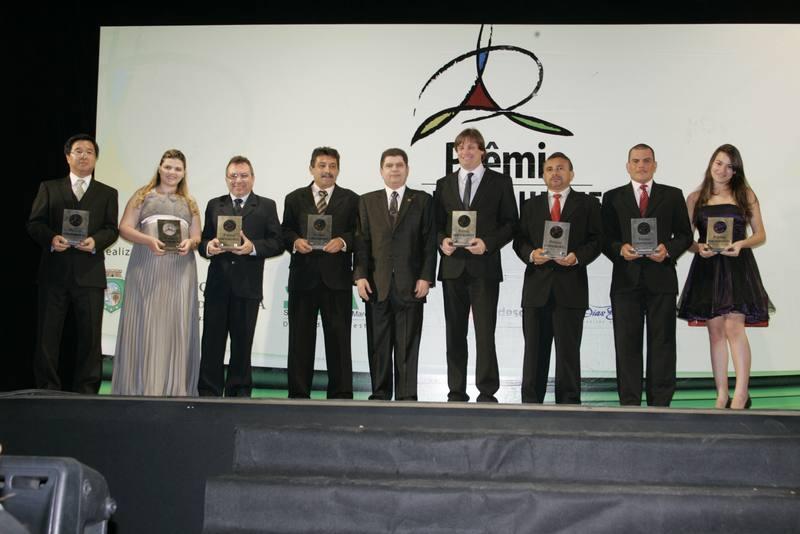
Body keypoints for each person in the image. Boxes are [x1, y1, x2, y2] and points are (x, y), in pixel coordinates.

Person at [678, 144, 773, 410]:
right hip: (708, 269)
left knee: (734, 327)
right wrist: (699, 247)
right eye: (719, 163)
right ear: (711, 163)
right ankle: (721, 394)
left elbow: (760, 234)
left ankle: (740, 394)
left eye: (730, 166)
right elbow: (686, 239)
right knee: (716, 332)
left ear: (736, 171)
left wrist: (742, 244)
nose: (722, 170)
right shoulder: (695, 198)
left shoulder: (745, 195)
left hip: (737, 267)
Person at [26, 133, 119, 393]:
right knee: (47, 336)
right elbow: (34, 223)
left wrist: (96, 241)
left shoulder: (107, 193)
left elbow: (111, 229)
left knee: (91, 337)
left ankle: (87, 390)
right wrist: (51, 238)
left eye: (90, 151)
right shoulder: (49, 188)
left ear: (96, 158)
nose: (84, 156)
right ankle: (46, 388)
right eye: (78, 151)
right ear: (68, 157)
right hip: (54, 273)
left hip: (90, 274)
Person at [601, 143, 692, 406]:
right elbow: (604, 237)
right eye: (636, 161)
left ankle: (660, 402)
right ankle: (629, 402)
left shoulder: (672, 195)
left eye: (646, 160)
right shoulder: (612, 197)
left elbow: (685, 235)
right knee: (626, 344)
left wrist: (668, 250)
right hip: (625, 281)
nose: (641, 165)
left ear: (655, 165)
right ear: (628, 166)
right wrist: (620, 249)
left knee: (662, 343)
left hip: (661, 280)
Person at [435, 128, 518, 402]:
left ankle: (487, 389)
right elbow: (435, 224)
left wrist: (488, 243)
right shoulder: (444, 184)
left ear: (482, 151)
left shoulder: (500, 182)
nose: (465, 152)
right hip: (453, 267)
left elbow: (511, 223)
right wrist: (442, 241)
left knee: (485, 333)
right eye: (460, 147)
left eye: (471, 147)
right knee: (454, 333)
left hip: (484, 267)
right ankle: (456, 390)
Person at [513, 152, 602, 404]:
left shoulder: (588, 204)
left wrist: (577, 257)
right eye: (550, 169)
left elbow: (597, 239)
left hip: (570, 289)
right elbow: (519, 240)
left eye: (561, 168)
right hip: (536, 290)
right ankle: (530, 405)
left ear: (571, 174)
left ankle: (569, 405)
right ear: (543, 175)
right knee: (534, 354)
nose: (555, 173)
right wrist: (531, 254)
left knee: (568, 354)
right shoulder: (530, 206)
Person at [111, 149, 201, 396]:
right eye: (168, 167)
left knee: (175, 325)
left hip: (180, 271)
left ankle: (174, 387)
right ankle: (140, 386)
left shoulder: (190, 203)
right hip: (147, 267)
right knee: (146, 322)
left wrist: (190, 243)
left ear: (184, 173)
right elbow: (124, 228)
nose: (172, 172)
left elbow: (197, 236)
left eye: (178, 169)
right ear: (160, 168)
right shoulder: (143, 195)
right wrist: (148, 240)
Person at [354, 148, 437, 400]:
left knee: (407, 347)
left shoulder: (422, 201)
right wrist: (360, 276)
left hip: (411, 286)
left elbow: (429, 242)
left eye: (399, 165)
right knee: (378, 346)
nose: (394, 169)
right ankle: (379, 394)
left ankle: (406, 398)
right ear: (381, 171)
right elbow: (361, 242)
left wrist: (426, 277)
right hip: (376, 285)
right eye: (389, 165)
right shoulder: (367, 201)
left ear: (407, 169)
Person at [198, 155, 283, 397]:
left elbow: (277, 243)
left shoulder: (266, 206)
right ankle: (208, 392)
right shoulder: (215, 205)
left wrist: (252, 248)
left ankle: (239, 392)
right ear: (226, 179)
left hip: (248, 288)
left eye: (244, 175)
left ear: (253, 178)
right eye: (233, 176)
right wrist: (209, 247)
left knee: (243, 344)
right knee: (212, 343)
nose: (238, 180)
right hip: (217, 287)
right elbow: (203, 241)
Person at [282, 147, 359, 399]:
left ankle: (341, 396)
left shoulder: (352, 199)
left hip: (336, 280)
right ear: (311, 168)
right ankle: (298, 395)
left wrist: (343, 242)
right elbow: (285, 231)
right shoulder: (294, 198)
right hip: (303, 279)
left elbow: (359, 234)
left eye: (332, 166)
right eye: (322, 165)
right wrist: (295, 242)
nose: (327, 170)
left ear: (338, 169)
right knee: (300, 341)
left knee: (339, 341)